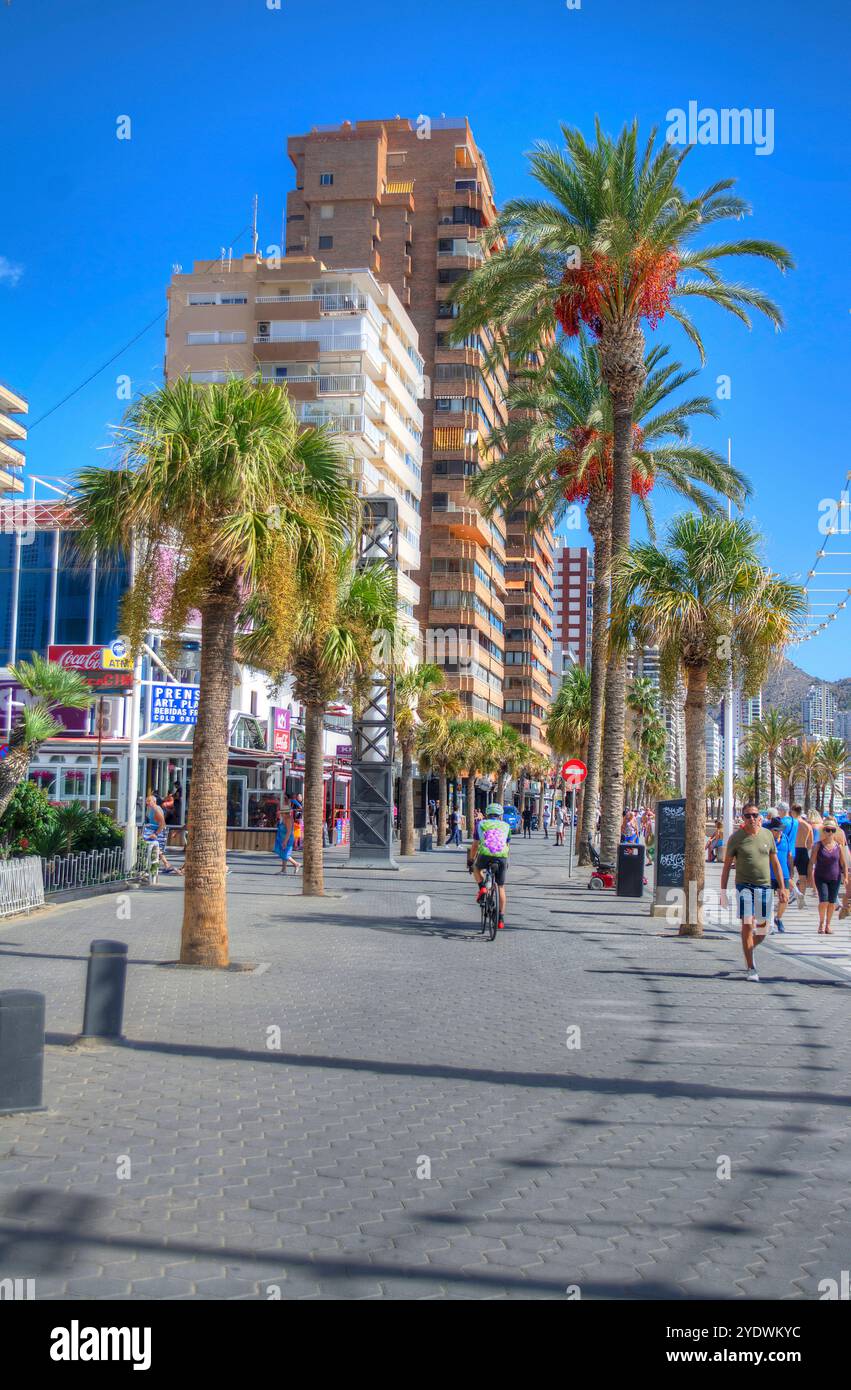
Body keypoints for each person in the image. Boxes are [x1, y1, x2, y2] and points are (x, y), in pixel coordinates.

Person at [720, 801, 788, 982]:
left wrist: (783, 887)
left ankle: (748, 949)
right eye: (748, 815)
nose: (752, 818)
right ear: (743, 818)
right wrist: (722, 892)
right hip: (745, 886)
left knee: (764, 929)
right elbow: (726, 867)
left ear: (760, 817)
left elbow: (776, 864)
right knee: (748, 925)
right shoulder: (736, 838)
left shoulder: (767, 835)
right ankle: (751, 967)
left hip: (765, 886)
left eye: (755, 815)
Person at [473, 801, 511, 932]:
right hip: (501, 857)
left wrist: (471, 860)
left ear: (487, 814)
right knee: (500, 886)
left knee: (476, 868)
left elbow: (475, 844)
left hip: (485, 855)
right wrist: (506, 860)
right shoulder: (506, 826)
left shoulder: (481, 824)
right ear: (500, 815)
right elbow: (507, 844)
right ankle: (500, 918)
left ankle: (482, 888)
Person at [807, 818, 848, 934]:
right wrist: (810, 877)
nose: (830, 833)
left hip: (835, 877)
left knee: (831, 902)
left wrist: (845, 877)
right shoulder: (818, 846)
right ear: (823, 831)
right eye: (827, 830)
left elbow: (844, 863)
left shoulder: (839, 846)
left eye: (832, 830)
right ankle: (821, 923)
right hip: (821, 877)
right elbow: (811, 862)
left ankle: (828, 925)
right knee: (823, 901)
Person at [143, 793, 183, 876]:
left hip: (158, 832)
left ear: (154, 801)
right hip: (153, 831)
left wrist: (156, 834)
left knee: (155, 848)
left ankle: (165, 865)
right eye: (147, 801)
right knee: (157, 850)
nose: (147, 803)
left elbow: (162, 824)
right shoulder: (151, 810)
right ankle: (166, 865)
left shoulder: (157, 809)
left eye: (149, 801)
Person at [767, 816, 793, 933]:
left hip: (784, 874)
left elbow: (789, 856)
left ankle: (778, 918)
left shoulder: (785, 839)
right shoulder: (766, 840)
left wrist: (791, 871)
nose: (778, 832)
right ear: (771, 830)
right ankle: (770, 922)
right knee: (768, 900)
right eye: (776, 830)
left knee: (785, 899)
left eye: (780, 830)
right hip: (768, 874)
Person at [792, 805, 812, 908]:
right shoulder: (807, 825)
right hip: (803, 850)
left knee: (788, 876)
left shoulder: (791, 823)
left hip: (793, 850)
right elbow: (810, 843)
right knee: (803, 877)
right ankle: (802, 897)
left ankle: (792, 894)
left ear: (793, 812)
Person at [274, 806, 300, 875]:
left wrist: (285, 841)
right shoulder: (285, 818)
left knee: (285, 854)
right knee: (283, 853)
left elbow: (289, 831)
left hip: (287, 838)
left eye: (282, 813)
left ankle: (296, 864)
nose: (281, 814)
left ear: (285, 813)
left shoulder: (288, 819)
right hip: (283, 838)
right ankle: (283, 870)